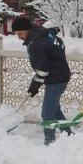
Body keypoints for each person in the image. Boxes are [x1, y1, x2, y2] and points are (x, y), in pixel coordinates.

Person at [12, 16, 72, 145]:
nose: (19, 37)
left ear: (28, 30)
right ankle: (68, 135)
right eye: (16, 34)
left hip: (57, 79)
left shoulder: (37, 43)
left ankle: (49, 141)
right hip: (58, 76)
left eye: (20, 33)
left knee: (47, 113)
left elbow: (43, 70)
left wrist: (34, 86)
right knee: (54, 109)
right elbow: (59, 44)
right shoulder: (44, 35)